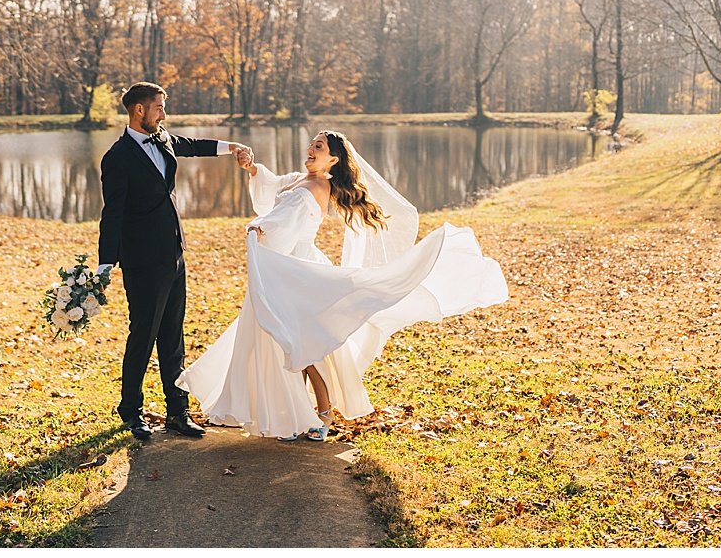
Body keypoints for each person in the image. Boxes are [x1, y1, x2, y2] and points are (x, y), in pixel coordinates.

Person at [177, 130, 509, 441]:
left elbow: (284, 220)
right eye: (312, 143)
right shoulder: (302, 180)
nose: (311, 148)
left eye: (319, 147)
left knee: (299, 343)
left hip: (297, 271)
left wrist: (261, 227)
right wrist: (253, 171)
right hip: (289, 267)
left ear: (333, 160)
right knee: (291, 341)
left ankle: (322, 415)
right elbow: (275, 187)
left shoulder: (313, 189)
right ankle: (304, 414)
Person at [99, 81, 250, 441]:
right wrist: (106, 262)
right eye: (159, 108)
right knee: (143, 335)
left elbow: (192, 146)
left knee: (173, 336)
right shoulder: (117, 157)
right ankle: (131, 410)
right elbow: (113, 213)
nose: (164, 114)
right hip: (141, 260)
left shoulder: (163, 138)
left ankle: (177, 412)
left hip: (173, 254)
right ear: (140, 111)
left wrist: (233, 147)